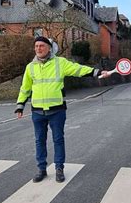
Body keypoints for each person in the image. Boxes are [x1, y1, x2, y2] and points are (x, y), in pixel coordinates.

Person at [15, 36, 110, 183]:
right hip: (37, 112)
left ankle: (59, 169)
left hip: (57, 111)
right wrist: (20, 105)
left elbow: (78, 69)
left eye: (41, 46)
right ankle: (42, 169)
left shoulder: (60, 63)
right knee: (39, 141)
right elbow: (25, 88)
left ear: (49, 48)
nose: (38, 49)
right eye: (36, 46)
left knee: (58, 140)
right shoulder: (30, 67)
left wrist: (97, 72)